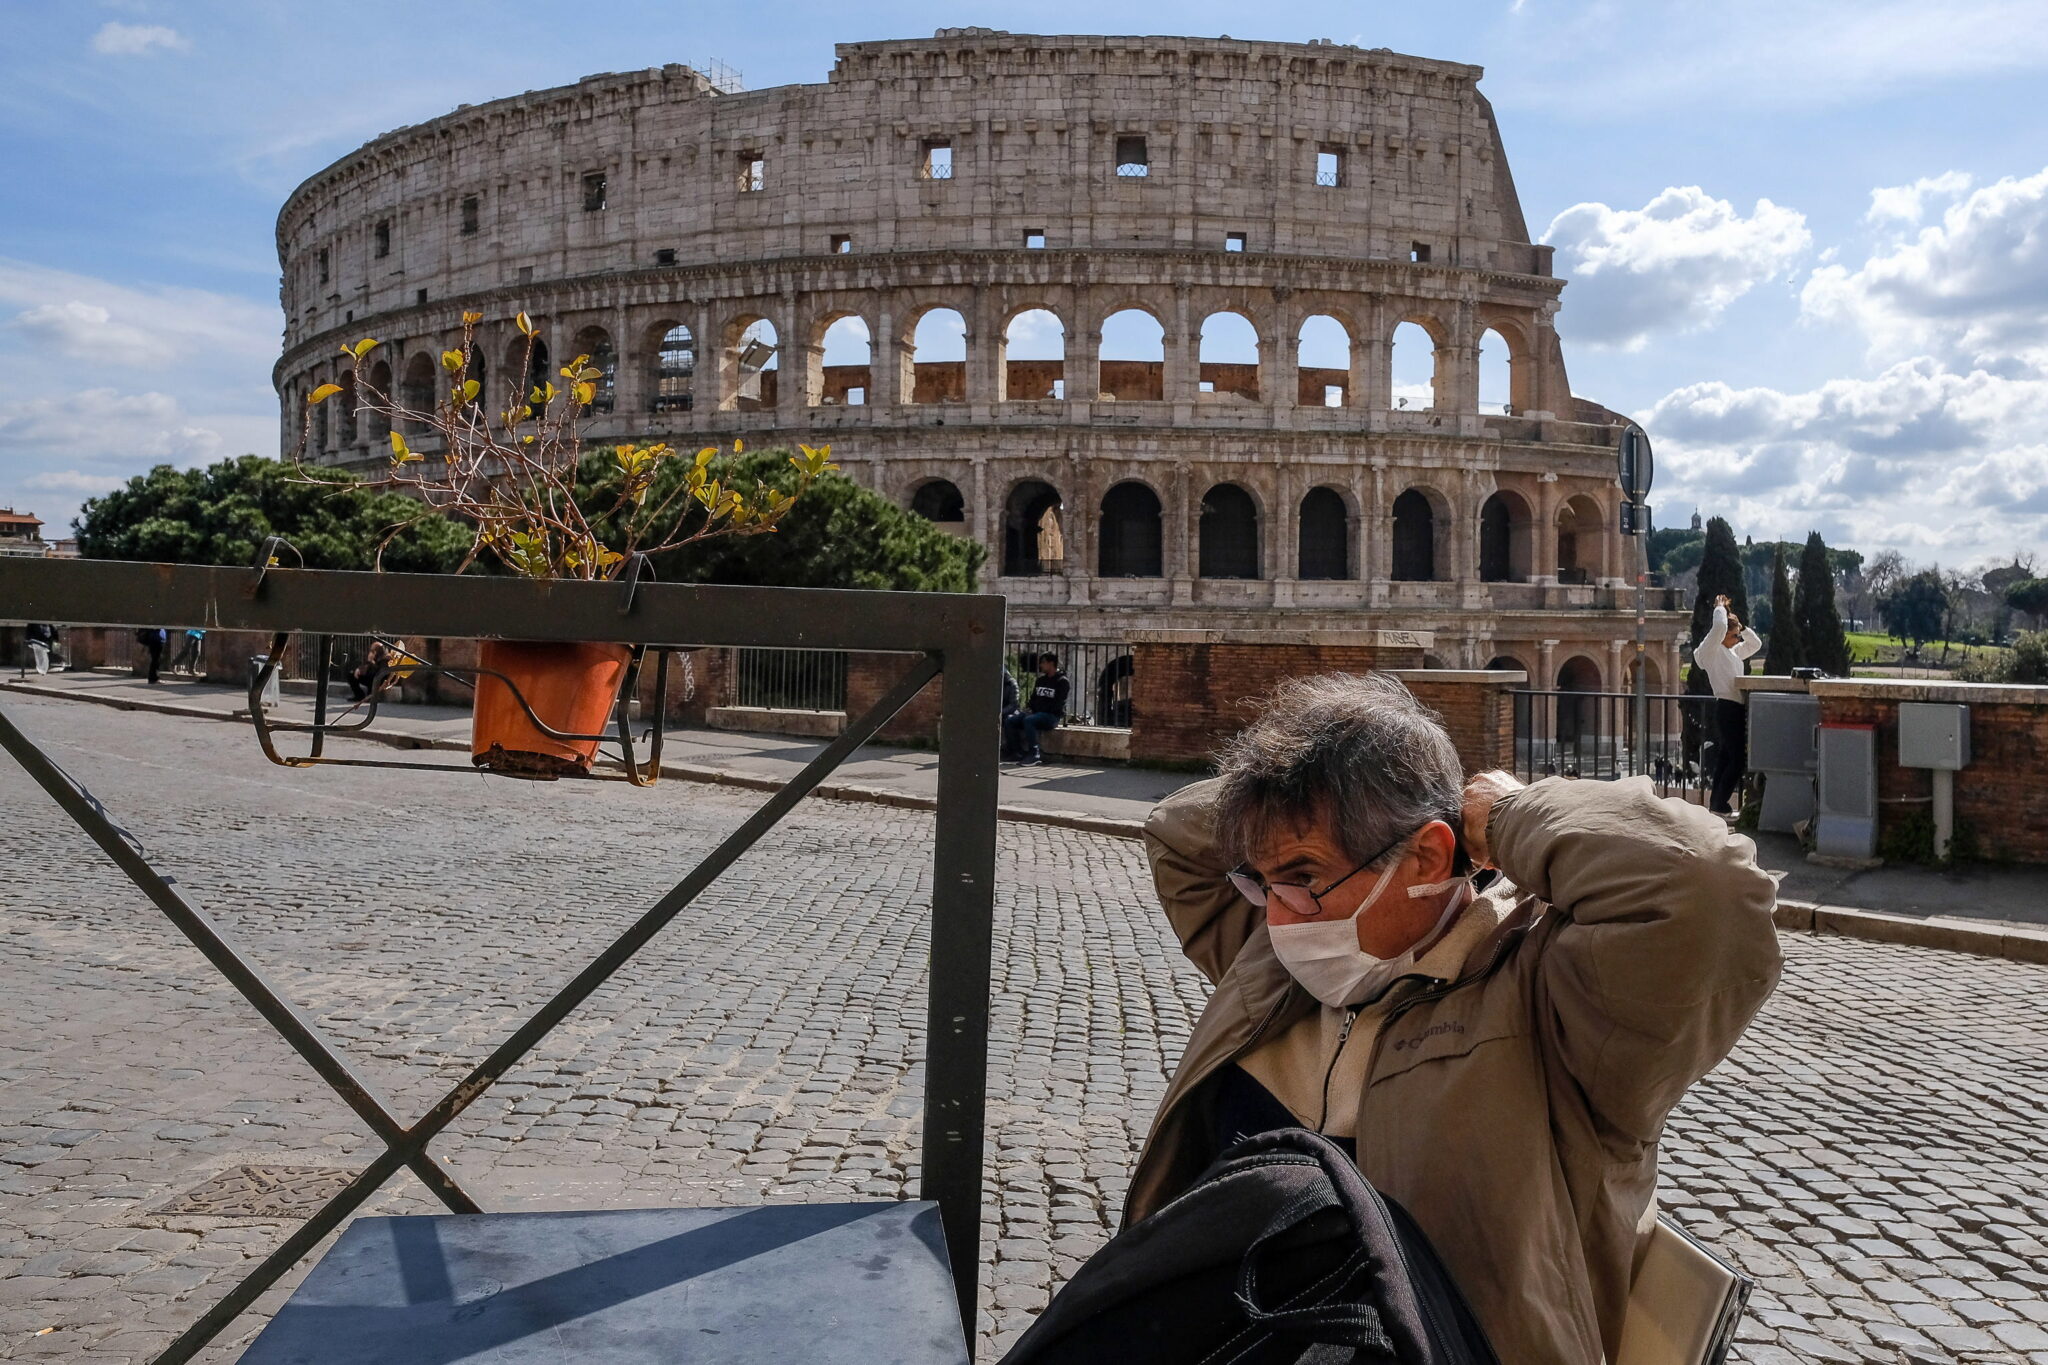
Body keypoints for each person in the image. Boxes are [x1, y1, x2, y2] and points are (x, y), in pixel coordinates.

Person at [1129, 672, 1780, 1365]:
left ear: (1430, 856)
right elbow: (1176, 833)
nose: (1280, 911)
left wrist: (1506, 817)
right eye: (1261, 880)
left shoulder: (1551, 1000)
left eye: (1303, 875)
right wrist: (1319, 778)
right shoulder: (1274, 954)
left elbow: (1707, 889)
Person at [1692, 594, 1762, 816]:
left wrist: (1741, 628)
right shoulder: (1712, 651)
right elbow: (1720, 626)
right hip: (1726, 708)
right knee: (1737, 759)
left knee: (1726, 757)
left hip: (1735, 708)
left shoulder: (1732, 652)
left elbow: (1756, 644)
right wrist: (1720, 607)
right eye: (1733, 636)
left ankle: (1716, 804)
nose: (1737, 640)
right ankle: (1721, 803)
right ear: (1722, 636)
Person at [1003, 652, 1069, 765]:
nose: (1040, 666)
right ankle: (1016, 752)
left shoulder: (1062, 682)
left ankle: (1034, 753)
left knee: (1030, 720)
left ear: (1051, 663)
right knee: (1010, 720)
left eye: (1043, 663)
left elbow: (1058, 704)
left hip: (1051, 716)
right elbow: (1033, 699)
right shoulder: (1040, 681)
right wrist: (1029, 709)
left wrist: (1037, 711)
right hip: (1036, 713)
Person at [999, 666, 1022, 759]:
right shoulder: (997, 684)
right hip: (1002, 711)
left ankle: (1015, 751)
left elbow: (1014, 705)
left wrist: (1000, 712)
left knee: (1009, 720)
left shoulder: (1012, 684)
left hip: (1011, 711)